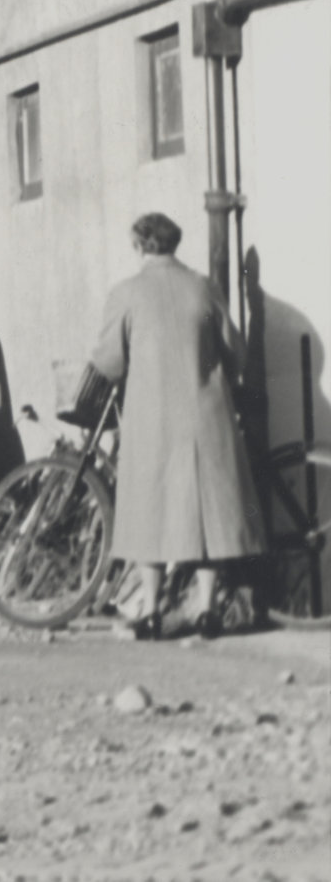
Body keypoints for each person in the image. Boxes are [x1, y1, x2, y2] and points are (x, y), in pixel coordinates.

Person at [88, 211, 264, 639]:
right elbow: (236, 354)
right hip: (207, 419)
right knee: (207, 518)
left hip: (152, 421)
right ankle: (207, 611)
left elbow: (109, 362)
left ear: (140, 246)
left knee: (148, 513)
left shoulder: (126, 293)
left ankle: (150, 611)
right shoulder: (203, 287)